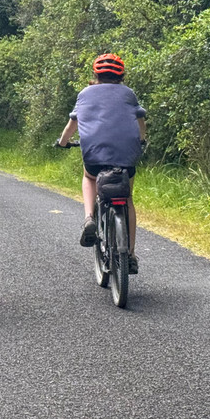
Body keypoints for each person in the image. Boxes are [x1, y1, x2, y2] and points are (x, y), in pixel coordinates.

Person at [56, 53, 146, 274]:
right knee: (127, 198)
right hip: (126, 156)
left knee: (89, 176)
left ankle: (88, 218)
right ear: (122, 76)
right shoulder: (128, 94)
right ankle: (131, 254)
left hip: (95, 157)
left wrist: (62, 142)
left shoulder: (85, 94)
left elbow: (71, 126)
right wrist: (142, 141)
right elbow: (140, 122)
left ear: (95, 75)